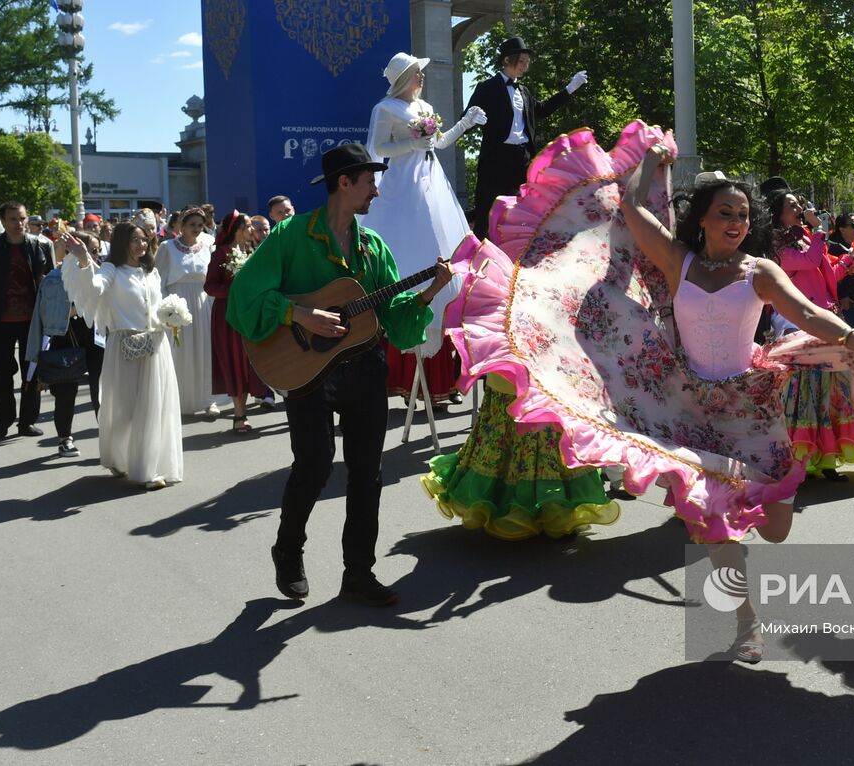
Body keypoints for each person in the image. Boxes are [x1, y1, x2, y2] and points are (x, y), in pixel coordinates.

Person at [440, 127, 854, 660]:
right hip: (688, 408)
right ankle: (746, 622)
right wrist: (649, 163)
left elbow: (807, 312)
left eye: (743, 214)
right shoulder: (678, 263)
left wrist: (852, 338)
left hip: (750, 407)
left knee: (775, 529)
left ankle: (759, 526)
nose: (736, 222)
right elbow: (633, 213)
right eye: (725, 213)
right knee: (710, 521)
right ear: (701, 219)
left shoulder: (759, 271)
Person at [227, 143, 456, 607]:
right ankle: (288, 551)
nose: (376, 190)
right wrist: (298, 315)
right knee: (312, 466)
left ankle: (359, 573)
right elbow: (244, 298)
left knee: (367, 475)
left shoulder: (373, 247)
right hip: (306, 368)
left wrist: (430, 292)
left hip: (364, 369)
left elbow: (392, 318)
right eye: (369, 181)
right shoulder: (291, 235)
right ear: (344, 183)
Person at [363, 51, 484, 404]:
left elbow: (440, 142)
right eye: (418, 73)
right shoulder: (385, 108)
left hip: (432, 184)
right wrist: (411, 144)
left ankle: (441, 358)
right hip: (402, 185)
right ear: (405, 77)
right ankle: (407, 321)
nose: (422, 78)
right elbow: (378, 147)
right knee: (409, 248)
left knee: (442, 242)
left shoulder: (424, 105)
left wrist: (466, 123)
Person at [769, 189, 854, 479]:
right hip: (798, 324)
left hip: (825, 318)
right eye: (792, 205)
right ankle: (801, 455)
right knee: (805, 394)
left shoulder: (805, 239)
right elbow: (808, 263)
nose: (799, 207)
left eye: (799, 203)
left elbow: (826, 273)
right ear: (777, 213)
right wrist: (819, 230)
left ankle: (828, 458)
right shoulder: (776, 246)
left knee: (834, 390)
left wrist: (847, 265)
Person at [420, 371, 622, 539]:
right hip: (513, 369)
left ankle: (548, 508)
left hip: (545, 372)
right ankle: (529, 509)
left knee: (547, 437)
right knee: (520, 435)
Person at [58, 223, 184, 489]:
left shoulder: (151, 271)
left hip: (156, 344)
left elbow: (155, 306)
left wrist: (171, 316)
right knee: (126, 409)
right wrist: (83, 258)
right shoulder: (111, 270)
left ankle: (149, 469)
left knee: (154, 407)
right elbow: (93, 288)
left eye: (143, 239)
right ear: (121, 243)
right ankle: (118, 456)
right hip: (124, 345)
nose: (140, 245)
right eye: (134, 240)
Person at [466, 35, 587, 237]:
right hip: (496, 159)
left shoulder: (524, 91)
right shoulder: (486, 88)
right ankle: (477, 260)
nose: (525, 67)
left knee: (524, 210)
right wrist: (471, 119)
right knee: (486, 212)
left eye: (527, 62)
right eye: (522, 61)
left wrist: (569, 89)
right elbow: (467, 118)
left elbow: (542, 110)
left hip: (522, 158)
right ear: (506, 60)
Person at [26, 231, 106, 457]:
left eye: (98, 250)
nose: (96, 255)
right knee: (65, 391)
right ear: (74, 251)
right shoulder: (54, 278)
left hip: (96, 337)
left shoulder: (101, 274)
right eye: (92, 250)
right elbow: (44, 319)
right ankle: (65, 438)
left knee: (102, 391)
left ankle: (109, 438)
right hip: (65, 339)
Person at [0, 202, 55, 441]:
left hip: (32, 321)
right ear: (3, 221)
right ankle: (4, 420)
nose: (19, 223)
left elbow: (52, 284)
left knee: (32, 372)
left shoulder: (41, 246)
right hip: (0, 320)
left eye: (23, 218)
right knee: (1, 372)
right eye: (13, 219)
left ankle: (27, 421)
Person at [205, 212, 269, 433]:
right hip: (227, 316)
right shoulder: (221, 254)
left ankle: (248, 405)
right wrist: (234, 291)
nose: (252, 230)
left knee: (248, 361)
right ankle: (239, 414)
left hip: (249, 314)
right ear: (237, 230)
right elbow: (210, 286)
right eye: (249, 226)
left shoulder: (251, 252)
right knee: (233, 362)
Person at [154, 208, 216, 416]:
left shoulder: (207, 245)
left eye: (200, 225)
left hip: (202, 302)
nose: (197, 229)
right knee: (180, 351)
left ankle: (208, 398)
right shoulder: (167, 247)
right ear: (182, 226)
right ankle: (177, 398)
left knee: (204, 349)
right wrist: (166, 308)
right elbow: (158, 280)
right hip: (177, 301)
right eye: (192, 225)